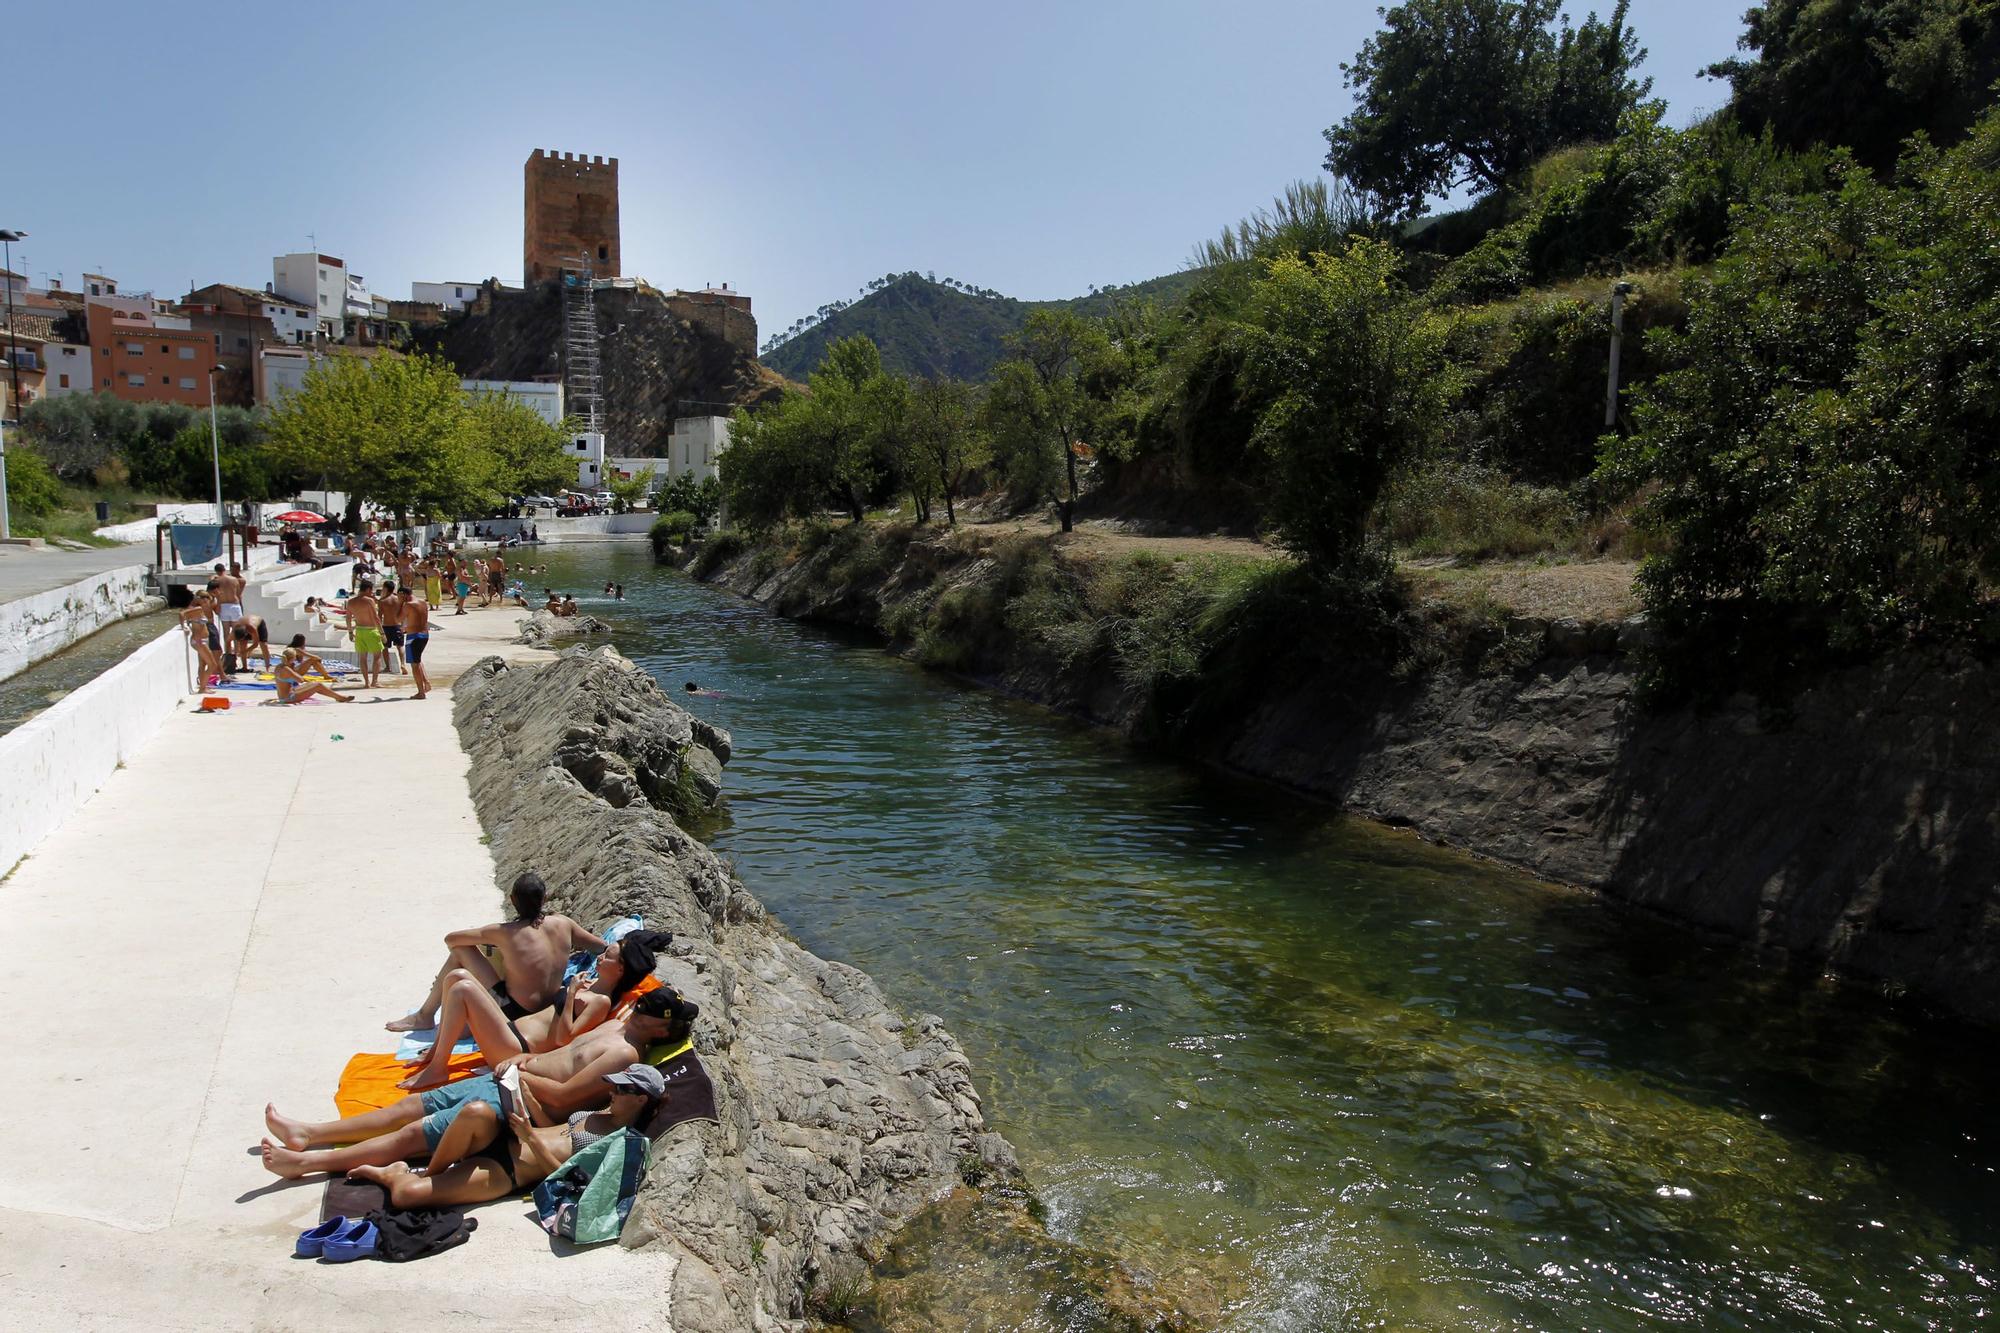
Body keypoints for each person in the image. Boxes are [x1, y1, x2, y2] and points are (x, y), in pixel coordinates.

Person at [260, 988, 696, 1180]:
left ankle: (304, 1165)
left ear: (661, 1029)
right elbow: (561, 1051)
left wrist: (519, 1073)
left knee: (411, 1136)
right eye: (640, 1004)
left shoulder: (624, 1054)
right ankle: (309, 1134)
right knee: (404, 1111)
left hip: (520, 1100)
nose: (639, 1008)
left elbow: (564, 1097)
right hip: (508, 1079)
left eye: (650, 1011)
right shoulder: (616, 1029)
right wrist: (524, 1060)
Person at [397, 928, 671, 1091]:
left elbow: (566, 1038)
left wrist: (573, 992)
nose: (599, 957)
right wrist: (575, 989)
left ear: (620, 968)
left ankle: (438, 1067)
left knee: (463, 988)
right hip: (510, 1031)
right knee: (458, 978)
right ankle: (436, 1054)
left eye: (606, 956)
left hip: (515, 1048)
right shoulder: (593, 985)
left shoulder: (600, 1002)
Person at [386, 872, 607, 1033]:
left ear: (512, 901)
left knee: (460, 952)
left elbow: (451, 939)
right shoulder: (564, 924)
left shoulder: (504, 932)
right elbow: (599, 947)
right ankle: (425, 1016)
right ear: (544, 899)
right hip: (549, 1007)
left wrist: (489, 941)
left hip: (515, 1011)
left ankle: (424, 1016)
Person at [273, 647, 354, 704]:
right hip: (288, 698)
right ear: (292, 658)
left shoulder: (279, 666)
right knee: (318, 685)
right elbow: (300, 680)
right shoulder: (287, 669)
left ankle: (338, 697)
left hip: (285, 695)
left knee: (312, 683)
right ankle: (339, 697)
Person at [345, 580, 384, 690]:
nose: (372, 593)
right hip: (371, 630)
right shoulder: (369, 601)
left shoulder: (351, 602)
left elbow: (348, 618)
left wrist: (350, 632)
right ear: (368, 589)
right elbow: (376, 618)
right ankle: (374, 682)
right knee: (377, 657)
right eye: (371, 590)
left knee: (363, 658)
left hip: (359, 631)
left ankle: (366, 682)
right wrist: (382, 633)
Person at [402, 582, 433, 700]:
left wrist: (400, 604)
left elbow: (398, 618)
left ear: (404, 595)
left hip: (413, 636)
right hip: (424, 635)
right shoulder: (423, 602)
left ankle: (421, 692)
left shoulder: (408, 605)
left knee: (414, 665)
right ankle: (426, 682)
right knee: (418, 660)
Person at [378, 582, 406, 676]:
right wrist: (403, 626)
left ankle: (387, 667)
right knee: (400, 646)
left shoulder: (382, 601)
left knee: (385, 648)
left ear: (385, 588)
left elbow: (379, 616)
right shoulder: (399, 600)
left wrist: (379, 629)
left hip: (386, 626)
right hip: (397, 625)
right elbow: (403, 614)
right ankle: (402, 664)